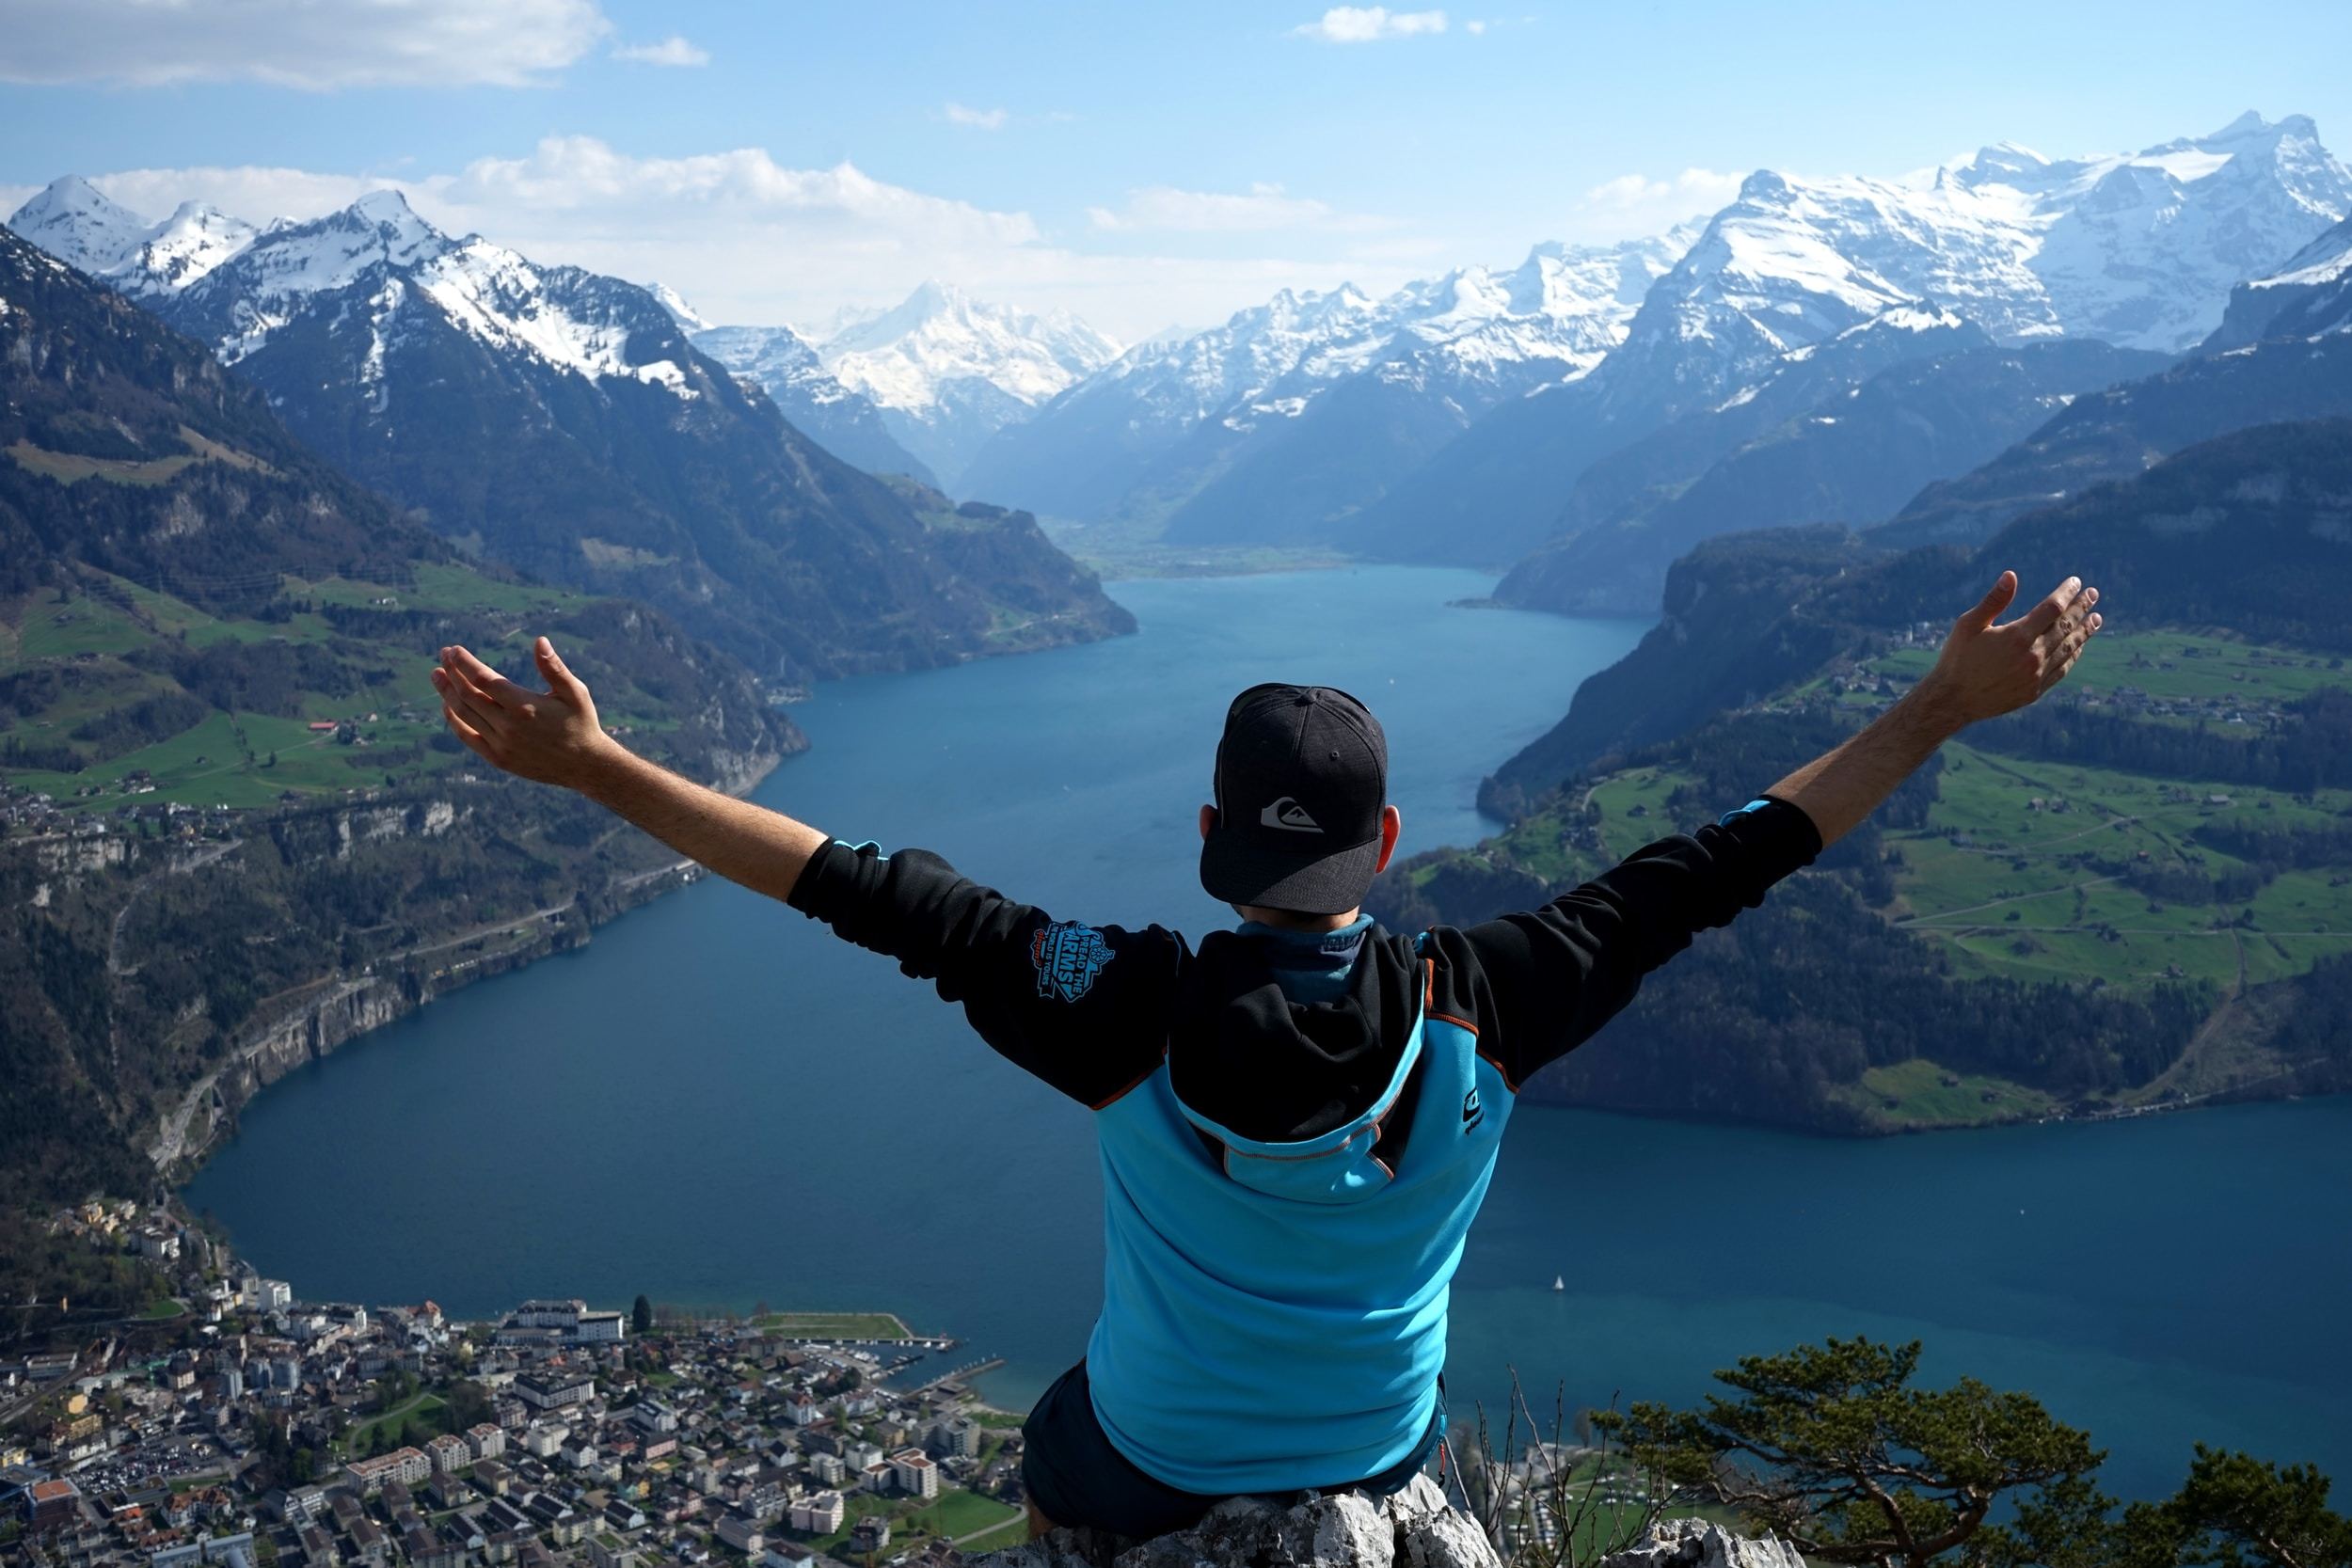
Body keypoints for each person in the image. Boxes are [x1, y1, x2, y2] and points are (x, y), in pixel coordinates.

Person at [428, 568, 2101, 1538]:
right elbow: (1728, 859)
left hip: (1154, 1462)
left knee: (1054, 1440)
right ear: (1381, 851)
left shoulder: (1118, 1006)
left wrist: (601, 768)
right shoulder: (1487, 997)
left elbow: (852, 885)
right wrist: (1938, 710)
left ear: (1214, 834)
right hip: (1381, 1451)